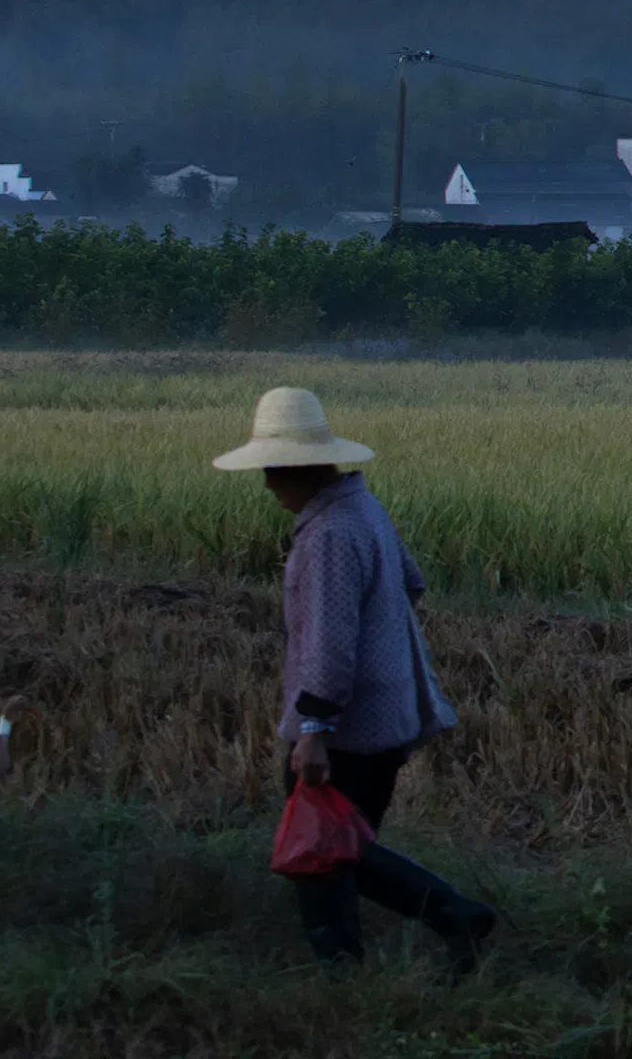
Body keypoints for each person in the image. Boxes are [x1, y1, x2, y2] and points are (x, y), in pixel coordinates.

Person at [209, 385, 500, 972]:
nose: (267, 485)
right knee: (346, 845)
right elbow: (410, 584)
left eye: (272, 470)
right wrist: (382, 641)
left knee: (319, 845)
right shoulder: (363, 508)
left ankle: (350, 968)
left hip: (348, 725)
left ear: (301, 469)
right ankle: (449, 921)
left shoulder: (328, 535)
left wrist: (313, 730)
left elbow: (329, 643)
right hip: (386, 716)